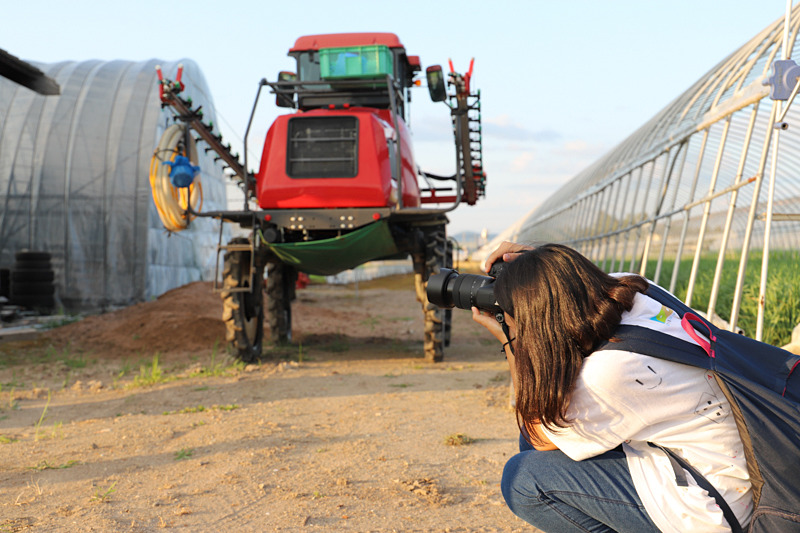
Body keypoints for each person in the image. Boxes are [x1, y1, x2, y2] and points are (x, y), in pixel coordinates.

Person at [471, 242, 752, 533]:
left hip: (715, 507)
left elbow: (539, 434)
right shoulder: (639, 290)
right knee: (541, 438)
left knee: (524, 480)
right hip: (726, 464)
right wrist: (536, 265)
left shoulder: (609, 372)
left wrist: (513, 342)